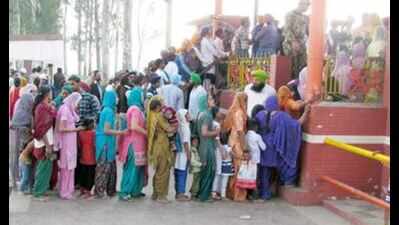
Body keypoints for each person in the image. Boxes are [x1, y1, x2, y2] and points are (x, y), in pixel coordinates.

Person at [255, 96, 310, 200]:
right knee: (286, 162)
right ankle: (287, 181)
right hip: (275, 147)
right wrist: (306, 112)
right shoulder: (282, 116)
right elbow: (296, 125)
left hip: (262, 146)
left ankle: (264, 193)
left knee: (264, 171)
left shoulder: (260, 115)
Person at [94, 90, 127, 199]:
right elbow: (106, 130)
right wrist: (121, 132)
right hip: (105, 144)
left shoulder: (106, 110)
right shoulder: (108, 111)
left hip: (106, 142)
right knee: (104, 168)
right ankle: (100, 191)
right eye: (115, 97)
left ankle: (110, 190)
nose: (117, 100)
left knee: (110, 167)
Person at [147, 96, 176, 203]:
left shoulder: (152, 116)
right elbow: (168, 128)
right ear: (158, 106)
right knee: (163, 171)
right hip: (162, 145)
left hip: (156, 146)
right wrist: (177, 126)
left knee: (158, 170)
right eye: (162, 103)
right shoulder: (160, 116)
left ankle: (155, 193)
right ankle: (161, 196)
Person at [54, 92, 83, 200]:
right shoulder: (65, 110)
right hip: (67, 142)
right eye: (77, 102)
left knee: (70, 166)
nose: (78, 104)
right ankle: (64, 191)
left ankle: (68, 189)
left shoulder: (69, 109)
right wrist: (76, 129)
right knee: (66, 167)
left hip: (70, 142)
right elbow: (61, 128)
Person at [119, 99, 147, 201]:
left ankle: (135, 191)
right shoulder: (135, 109)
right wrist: (146, 133)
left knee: (137, 170)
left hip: (138, 144)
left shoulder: (136, 109)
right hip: (134, 144)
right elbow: (134, 126)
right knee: (131, 169)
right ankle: (125, 192)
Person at [222, 92, 248, 201]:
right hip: (237, 143)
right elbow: (240, 131)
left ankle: (232, 193)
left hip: (232, 141)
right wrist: (245, 148)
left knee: (234, 168)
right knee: (239, 169)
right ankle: (237, 195)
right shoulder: (239, 113)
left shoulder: (236, 111)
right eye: (246, 100)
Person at [32, 86, 57, 201]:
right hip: (43, 143)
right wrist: (47, 146)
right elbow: (41, 129)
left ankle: (42, 190)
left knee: (46, 169)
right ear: (47, 94)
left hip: (48, 141)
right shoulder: (41, 108)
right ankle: (38, 193)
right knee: (42, 169)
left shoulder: (45, 107)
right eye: (51, 93)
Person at [10, 85, 36, 189]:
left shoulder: (22, 111)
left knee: (23, 162)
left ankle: (21, 181)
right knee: (22, 162)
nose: (31, 103)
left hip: (22, 143)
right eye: (30, 101)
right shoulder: (25, 113)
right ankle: (20, 182)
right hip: (21, 143)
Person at [196, 94, 219, 202]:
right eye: (210, 99)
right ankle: (205, 196)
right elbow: (204, 132)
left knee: (205, 171)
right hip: (207, 146)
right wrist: (216, 132)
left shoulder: (201, 113)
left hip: (203, 145)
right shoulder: (207, 115)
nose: (213, 100)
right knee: (209, 171)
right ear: (205, 102)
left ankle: (202, 194)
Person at [283, 0, 310, 79]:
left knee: (302, 67)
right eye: (306, 5)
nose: (307, 8)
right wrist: (293, 41)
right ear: (300, 4)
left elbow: (307, 32)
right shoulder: (290, 14)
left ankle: (299, 87)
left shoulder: (305, 17)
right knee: (291, 67)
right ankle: (290, 88)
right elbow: (287, 30)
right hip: (290, 43)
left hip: (302, 44)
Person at [245, 119, 266, 200]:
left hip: (248, 160)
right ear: (255, 127)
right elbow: (264, 148)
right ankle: (255, 196)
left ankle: (248, 194)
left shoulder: (246, 135)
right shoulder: (257, 136)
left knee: (248, 177)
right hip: (255, 160)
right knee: (255, 178)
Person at [174, 109, 191, 201]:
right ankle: (181, 194)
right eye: (187, 114)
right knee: (182, 174)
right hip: (184, 154)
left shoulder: (180, 126)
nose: (189, 115)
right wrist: (189, 155)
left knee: (178, 173)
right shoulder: (185, 127)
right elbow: (185, 143)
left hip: (178, 154)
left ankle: (178, 193)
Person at [78, 119, 96, 199]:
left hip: (83, 156)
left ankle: (82, 190)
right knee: (90, 175)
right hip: (91, 157)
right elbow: (95, 145)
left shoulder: (80, 133)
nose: (94, 125)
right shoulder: (93, 133)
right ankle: (88, 191)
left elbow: (79, 144)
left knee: (83, 174)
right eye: (92, 124)